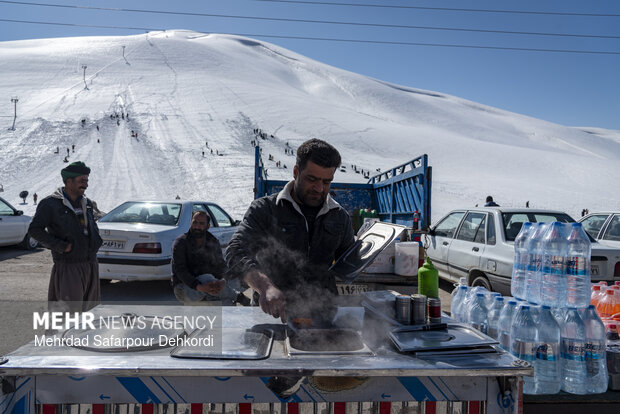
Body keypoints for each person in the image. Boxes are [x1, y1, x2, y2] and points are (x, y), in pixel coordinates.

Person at [226, 138, 355, 322]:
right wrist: (265, 287)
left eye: (327, 182)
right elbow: (235, 251)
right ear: (296, 172)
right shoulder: (264, 209)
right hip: (272, 315)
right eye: (312, 179)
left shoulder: (339, 216)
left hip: (323, 318)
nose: (319, 188)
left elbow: (348, 265)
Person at [28, 161, 102, 312]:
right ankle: (61, 337)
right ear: (69, 181)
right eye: (82, 181)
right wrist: (60, 246)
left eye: (87, 181)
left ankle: (84, 337)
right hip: (69, 266)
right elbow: (35, 230)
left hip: (91, 263)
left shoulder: (86, 203)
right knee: (68, 313)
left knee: (90, 311)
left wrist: (96, 242)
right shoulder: (50, 204)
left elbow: (89, 227)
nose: (86, 185)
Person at [171, 211, 245, 305]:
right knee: (207, 277)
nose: (197, 227)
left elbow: (220, 266)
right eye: (195, 222)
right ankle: (238, 297)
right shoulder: (181, 243)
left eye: (201, 224)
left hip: (208, 288)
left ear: (208, 226)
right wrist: (199, 286)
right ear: (191, 223)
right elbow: (180, 270)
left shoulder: (213, 241)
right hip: (184, 288)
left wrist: (222, 281)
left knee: (227, 302)